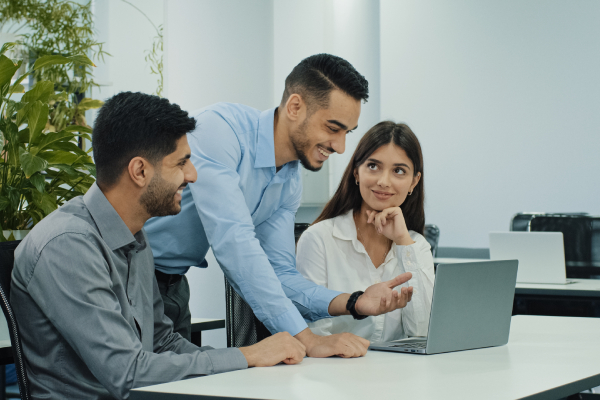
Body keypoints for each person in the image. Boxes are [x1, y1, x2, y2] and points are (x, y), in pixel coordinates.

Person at [11, 92, 306, 400]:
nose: (192, 175)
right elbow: (128, 373)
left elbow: (163, 342)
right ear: (140, 171)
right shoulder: (68, 245)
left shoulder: (135, 237)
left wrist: (238, 372)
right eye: (181, 163)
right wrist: (247, 356)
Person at [145, 54, 414, 358]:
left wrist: (353, 301)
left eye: (346, 133)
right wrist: (307, 339)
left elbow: (280, 273)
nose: (340, 147)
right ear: (295, 107)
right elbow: (235, 245)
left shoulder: (289, 181)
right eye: (332, 128)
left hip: (173, 285)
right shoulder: (220, 131)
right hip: (127, 271)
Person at [296, 121, 435, 341]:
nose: (383, 181)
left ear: (413, 182)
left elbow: (422, 333)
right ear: (356, 172)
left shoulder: (416, 245)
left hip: (400, 371)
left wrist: (402, 242)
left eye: (399, 171)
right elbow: (312, 334)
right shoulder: (319, 239)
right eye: (373, 166)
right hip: (335, 369)